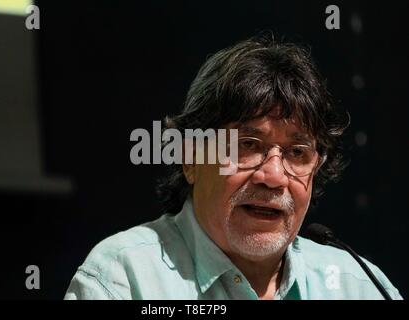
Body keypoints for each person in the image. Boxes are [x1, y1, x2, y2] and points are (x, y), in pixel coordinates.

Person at [65, 35, 402, 300]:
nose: (273, 177)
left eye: (297, 152)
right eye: (247, 146)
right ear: (191, 159)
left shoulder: (357, 286)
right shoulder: (125, 277)